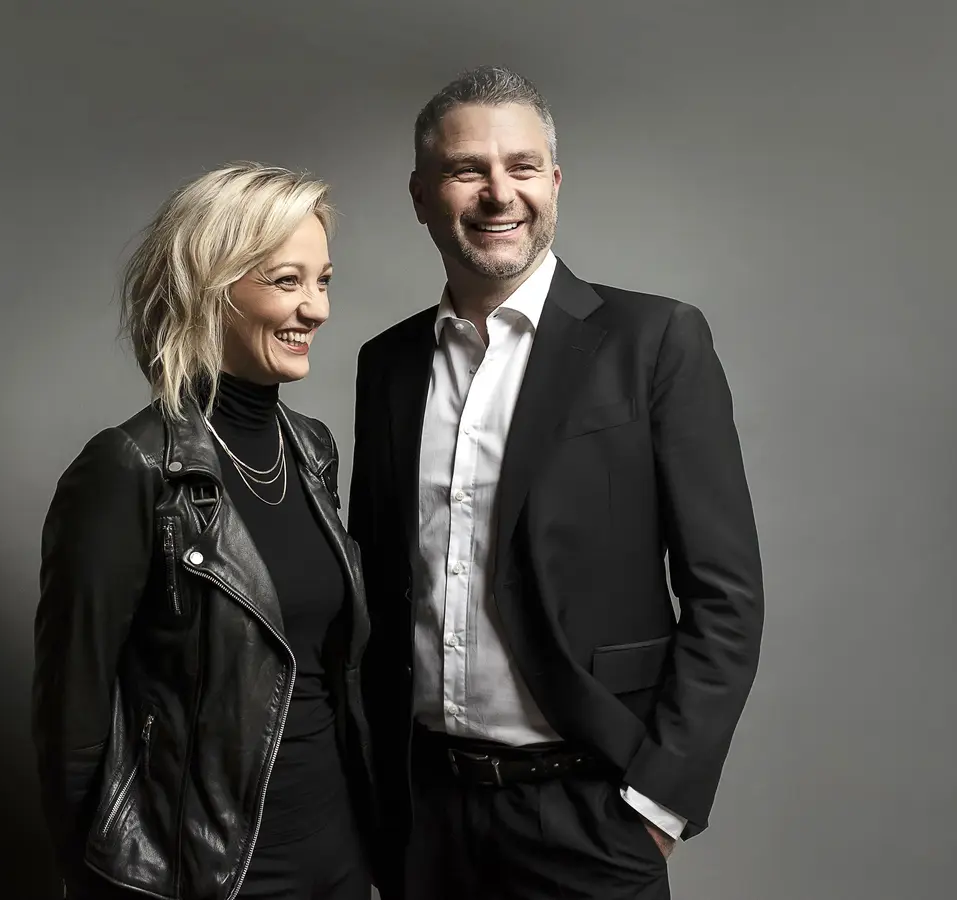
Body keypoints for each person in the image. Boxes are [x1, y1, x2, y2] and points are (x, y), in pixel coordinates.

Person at [348, 66, 764, 900]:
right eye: (467, 170)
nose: (500, 194)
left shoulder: (654, 341)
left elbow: (726, 597)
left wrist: (658, 804)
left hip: (591, 814)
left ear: (555, 183)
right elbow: (379, 597)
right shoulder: (387, 365)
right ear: (421, 195)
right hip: (426, 820)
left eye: (523, 167)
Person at [32, 162, 376, 900]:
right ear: (210, 289)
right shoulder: (130, 468)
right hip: (210, 876)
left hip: (338, 857)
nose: (316, 308)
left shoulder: (311, 451)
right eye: (287, 281)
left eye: (323, 281)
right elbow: (72, 721)